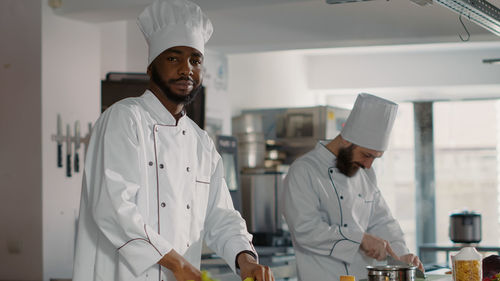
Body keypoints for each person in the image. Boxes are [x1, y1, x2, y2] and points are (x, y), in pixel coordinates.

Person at [73, 0, 274, 280]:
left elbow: (222, 216)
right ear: (150, 68)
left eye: (195, 59)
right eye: (173, 58)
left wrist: (245, 259)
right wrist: (178, 264)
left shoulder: (201, 142)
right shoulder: (124, 119)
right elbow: (112, 207)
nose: (186, 69)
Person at [281, 93, 424, 281]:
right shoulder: (303, 171)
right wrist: (360, 239)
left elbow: (382, 221)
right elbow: (306, 230)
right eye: (367, 155)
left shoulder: (365, 173)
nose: (369, 165)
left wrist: (401, 255)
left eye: (375, 158)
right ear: (347, 140)